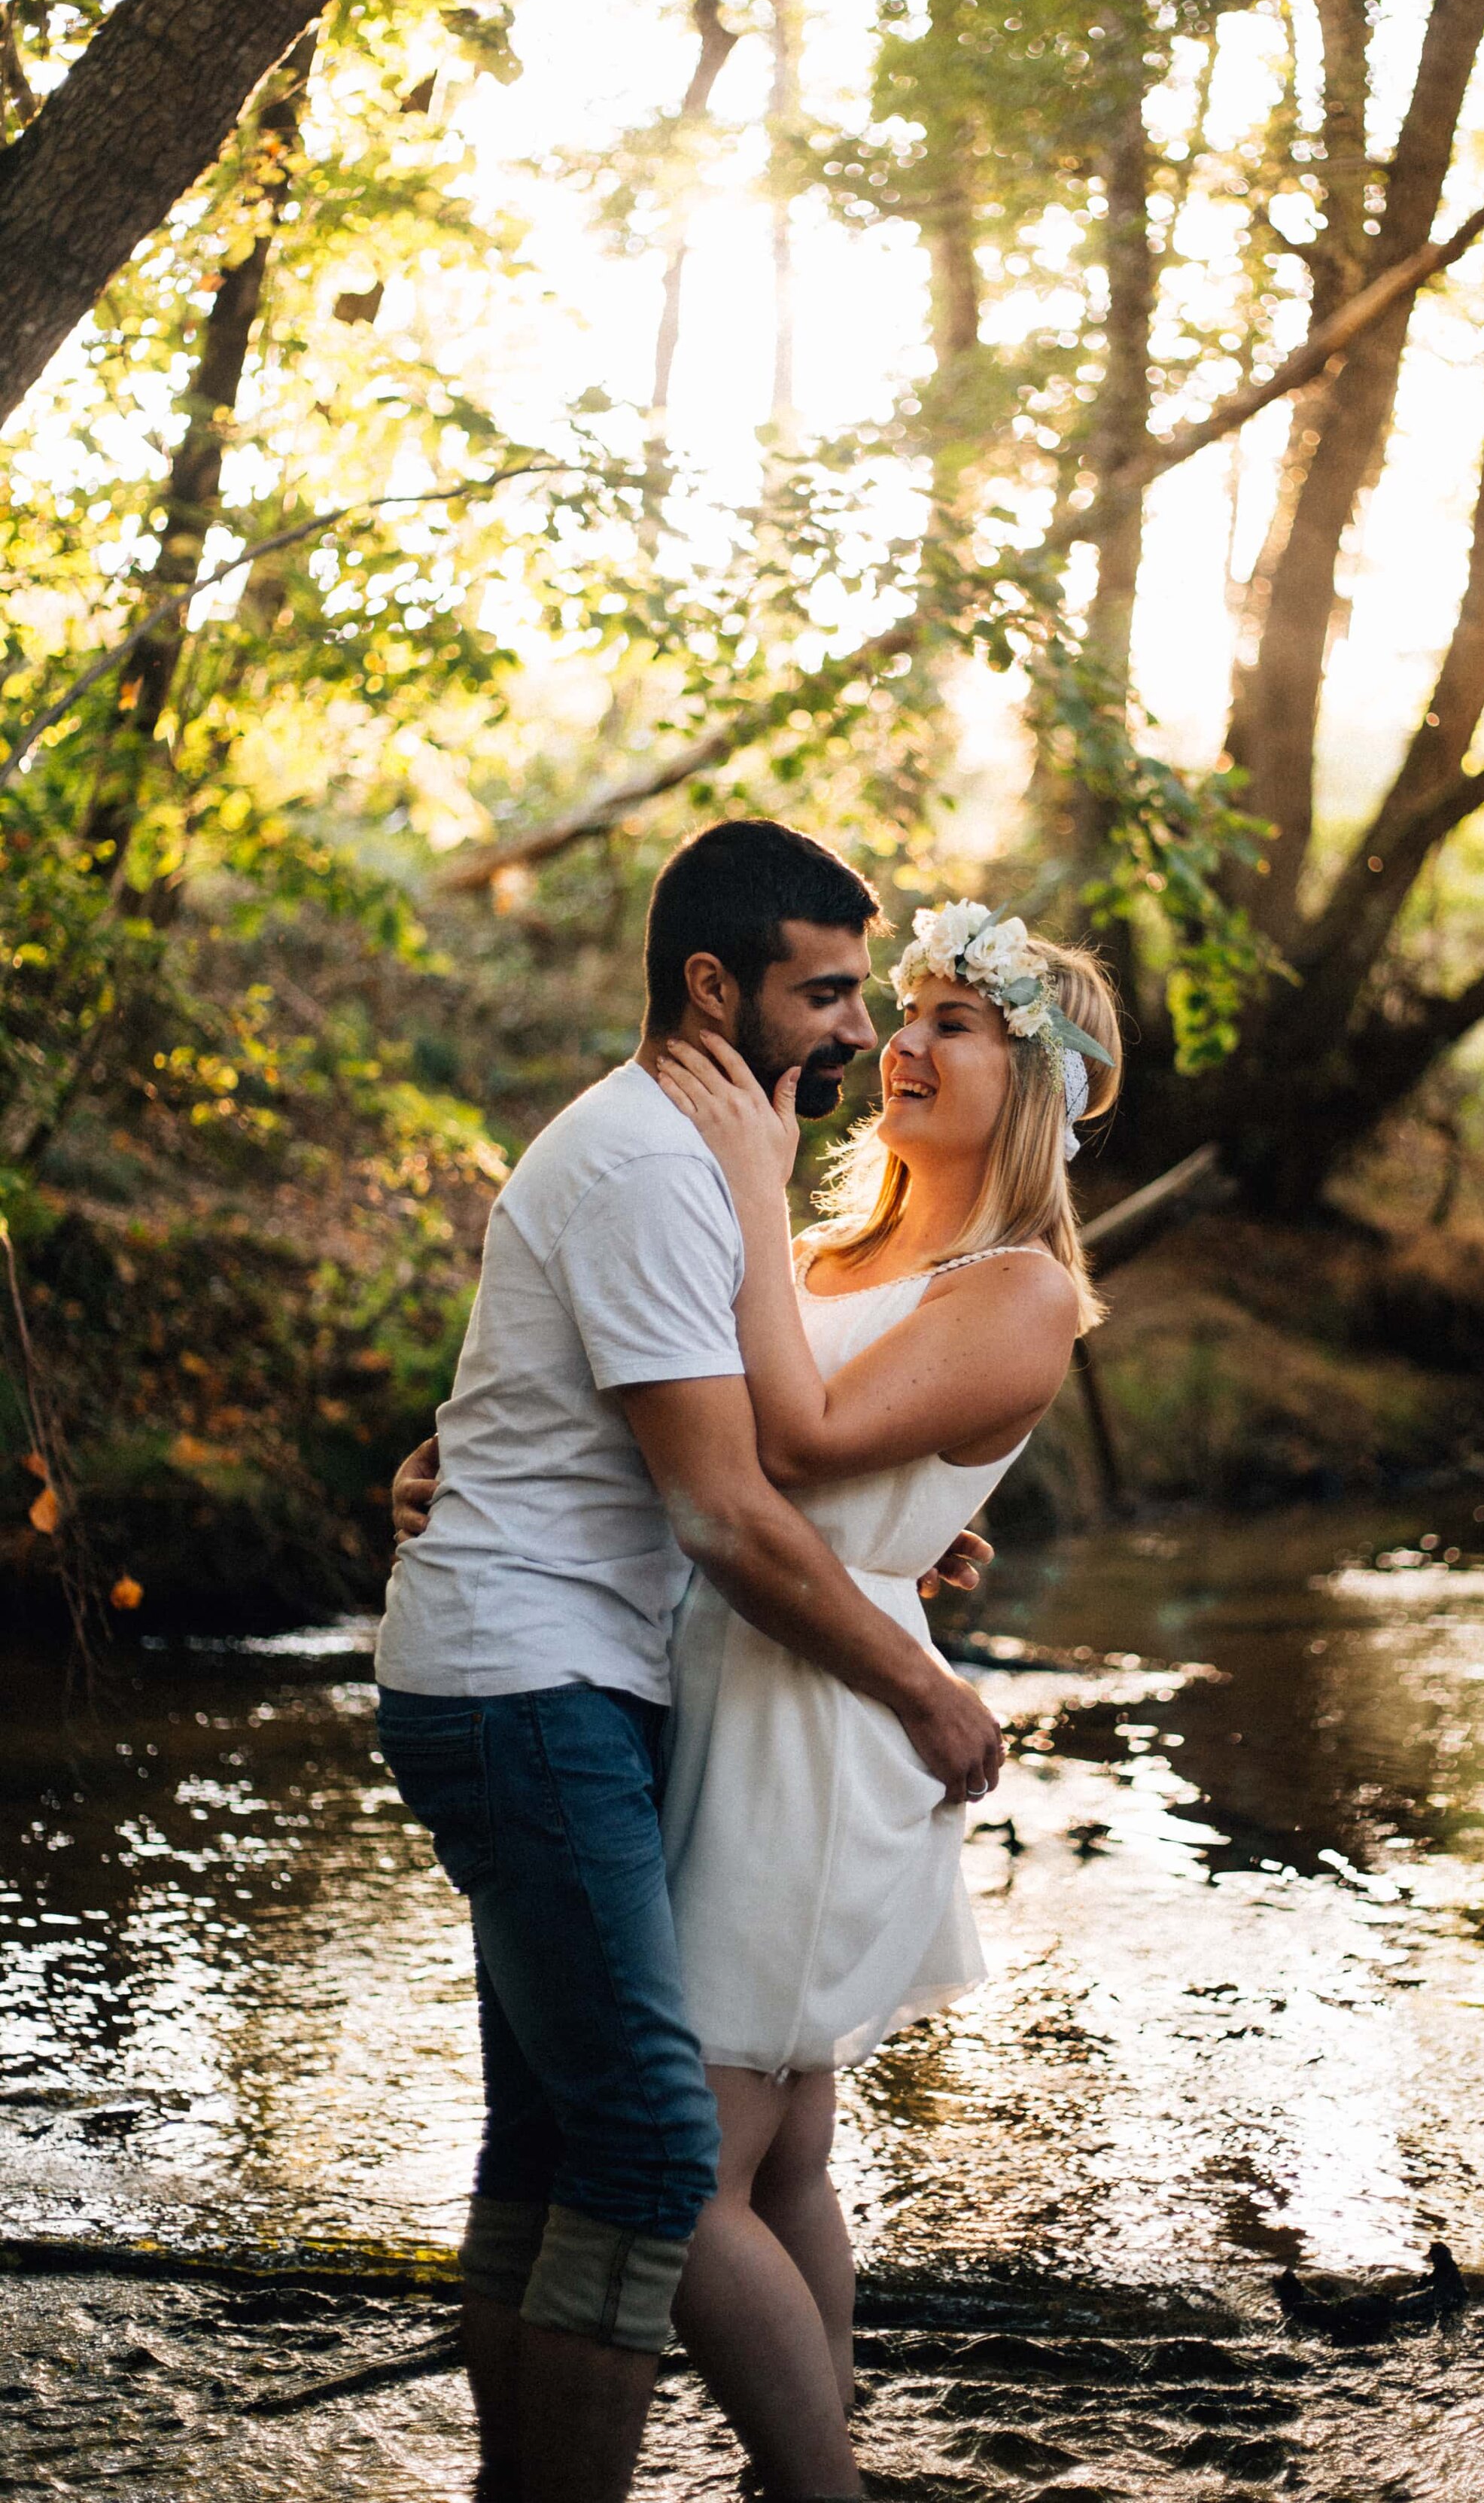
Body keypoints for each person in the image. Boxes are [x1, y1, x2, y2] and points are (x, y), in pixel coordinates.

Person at [375, 821, 1004, 2503]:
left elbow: (730, 1454)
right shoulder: (659, 1163)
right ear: (710, 985)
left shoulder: (686, 1150)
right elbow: (724, 1510)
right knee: (660, 2147)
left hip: (565, 1673)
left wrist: (901, 1536)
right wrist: (920, 1682)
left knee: (557, 2148)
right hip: (526, 1688)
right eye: (824, 995)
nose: (857, 1033)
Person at [647, 897, 1122, 2495]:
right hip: (741, 1662)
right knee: (778, 2156)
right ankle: (807, 2460)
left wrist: (743, 1176)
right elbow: (723, 1417)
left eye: (953, 1025)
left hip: (818, 1723)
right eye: (901, 1015)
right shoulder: (843, 1247)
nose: (899, 1047)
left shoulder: (1020, 1287)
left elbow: (791, 1441)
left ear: (1032, 1081)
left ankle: (812, 2487)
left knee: (678, 2174)